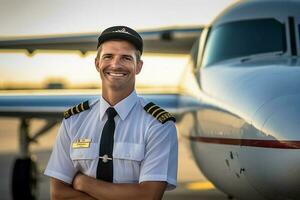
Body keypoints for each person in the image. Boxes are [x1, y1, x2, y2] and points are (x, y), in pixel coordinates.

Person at [44, 25, 178, 200]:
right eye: (108, 56)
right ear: (97, 63)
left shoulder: (158, 124)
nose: (115, 64)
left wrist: (84, 183)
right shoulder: (74, 121)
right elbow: (58, 194)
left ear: (138, 66)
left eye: (126, 58)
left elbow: (148, 196)